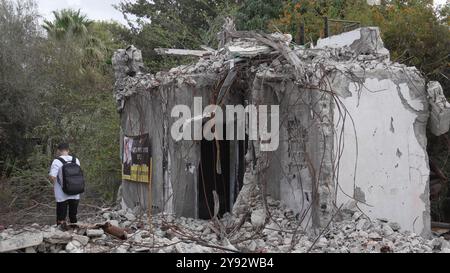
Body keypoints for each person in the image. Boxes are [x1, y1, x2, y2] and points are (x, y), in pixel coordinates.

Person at [48, 143, 81, 228]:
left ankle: (61, 232)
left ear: (58, 151)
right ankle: (74, 232)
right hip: (76, 192)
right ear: (68, 150)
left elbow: (52, 177)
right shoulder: (76, 160)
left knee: (61, 216)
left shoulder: (57, 161)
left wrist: (53, 183)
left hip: (61, 193)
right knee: (73, 216)